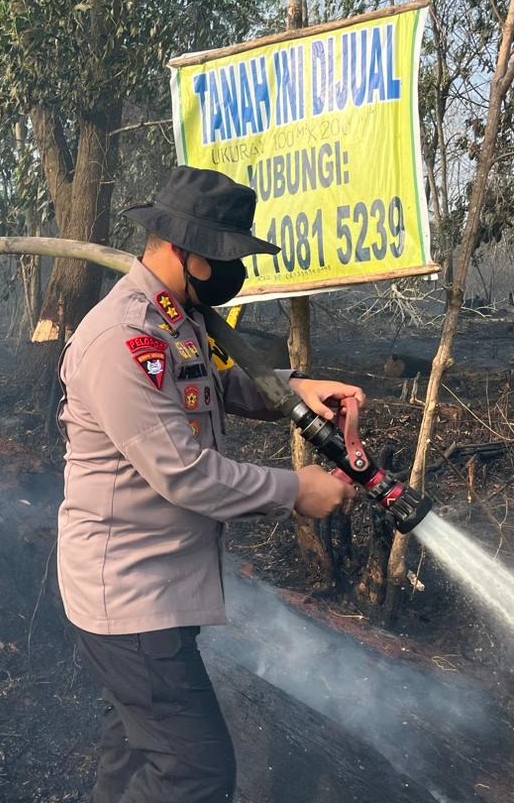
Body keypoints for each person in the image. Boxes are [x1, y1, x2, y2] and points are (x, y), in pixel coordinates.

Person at [57, 167, 364, 803]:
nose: (233, 271)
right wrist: (295, 491)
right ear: (182, 249)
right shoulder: (125, 338)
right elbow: (185, 474)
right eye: (223, 257)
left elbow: (213, 387)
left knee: (135, 747)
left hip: (157, 586)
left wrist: (294, 387)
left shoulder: (178, 318)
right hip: (129, 597)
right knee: (194, 773)